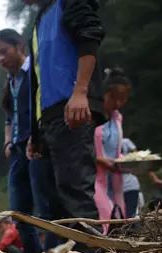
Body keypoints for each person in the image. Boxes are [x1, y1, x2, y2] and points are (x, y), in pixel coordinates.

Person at [24, 0, 105, 228]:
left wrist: (80, 91)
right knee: (56, 204)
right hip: (49, 118)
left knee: (76, 194)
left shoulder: (67, 2)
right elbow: (38, 81)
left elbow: (90, 35)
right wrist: (36, 132)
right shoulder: (39, 20)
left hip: (72, 107)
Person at [0, 28, 57, 253]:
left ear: (19, 47)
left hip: (38, 145)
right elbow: (9, 116)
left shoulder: (35, 72)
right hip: (18, 150)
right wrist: (8, 142)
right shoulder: (10, 81)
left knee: (45, 206)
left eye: (3, 52)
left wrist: (38, 137)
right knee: (19, 212)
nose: (0, 59)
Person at [93, 68, 129, 229]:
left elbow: (117, 150)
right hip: (95, 177)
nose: (118, 104)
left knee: (119, 219)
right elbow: (84, 149)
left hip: (115, 179)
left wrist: (126, 161)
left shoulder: (118, 119)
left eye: (123, 99)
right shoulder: (92, 117)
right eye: (114, 98)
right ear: (104, 94)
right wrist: (101, 160)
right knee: (105, 217)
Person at [121, 138, 162, 217]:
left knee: (130, 217)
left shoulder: (125, 143)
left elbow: (141, 159)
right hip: (108, 189)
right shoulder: (97, 144)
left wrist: (155, 179)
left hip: (128, 186)